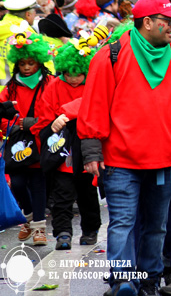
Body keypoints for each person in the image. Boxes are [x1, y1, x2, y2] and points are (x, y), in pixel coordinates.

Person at [78, 0, 171, 296]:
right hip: (120, 161)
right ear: (147, 22)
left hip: (164, 159)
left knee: (156, 225)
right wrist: (91, 151)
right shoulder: (110, 55)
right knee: (123, 223)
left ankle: (149, 281)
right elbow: (94, 106)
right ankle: (123, 281)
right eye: (167, 21)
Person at [35, 41, 101, 250]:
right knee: (61, 194)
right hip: (62, 150)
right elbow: (44, 117)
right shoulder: (54, 86)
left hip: (86, 147)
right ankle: (62, 232)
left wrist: (69, 112)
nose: (73, 78)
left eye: (78, 74)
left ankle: (90, 229)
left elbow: (97, 108)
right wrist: (53, 124)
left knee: (87, 193)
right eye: (68, 73)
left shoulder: (94, 85)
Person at [1, 23, 52, 246]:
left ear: (38, 61)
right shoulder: (10, 87)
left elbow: (54, 110)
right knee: (19, 184)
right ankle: (29, 218)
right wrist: (10, 126)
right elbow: (1, 110)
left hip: (40, 142)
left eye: (31, 63)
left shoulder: (50, 83)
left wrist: (32, 124)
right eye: (22, 63)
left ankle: (39, 228)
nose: (27, 67)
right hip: (17, 145)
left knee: (39, 184)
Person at [0, 0, 39, 88]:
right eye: (35, 12)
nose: (35, 16)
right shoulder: (26, 34)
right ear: (28, 14)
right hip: (16, 93)